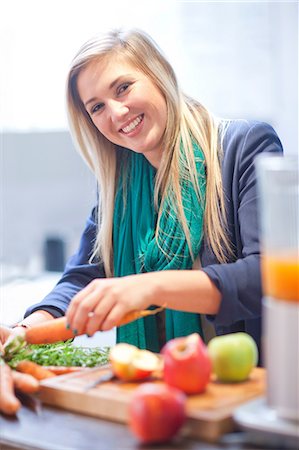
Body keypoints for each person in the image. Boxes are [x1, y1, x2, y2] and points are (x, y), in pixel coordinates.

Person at [1, 28, 283, 362]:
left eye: (123, 87)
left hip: (242, 384)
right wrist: (26, 331)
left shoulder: (244, 146)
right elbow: (83, 277)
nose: (117, 113)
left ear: (158, 73)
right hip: (156, 384)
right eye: (97, 107)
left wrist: (149, 287)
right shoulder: (119, 185)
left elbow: (267, 274)